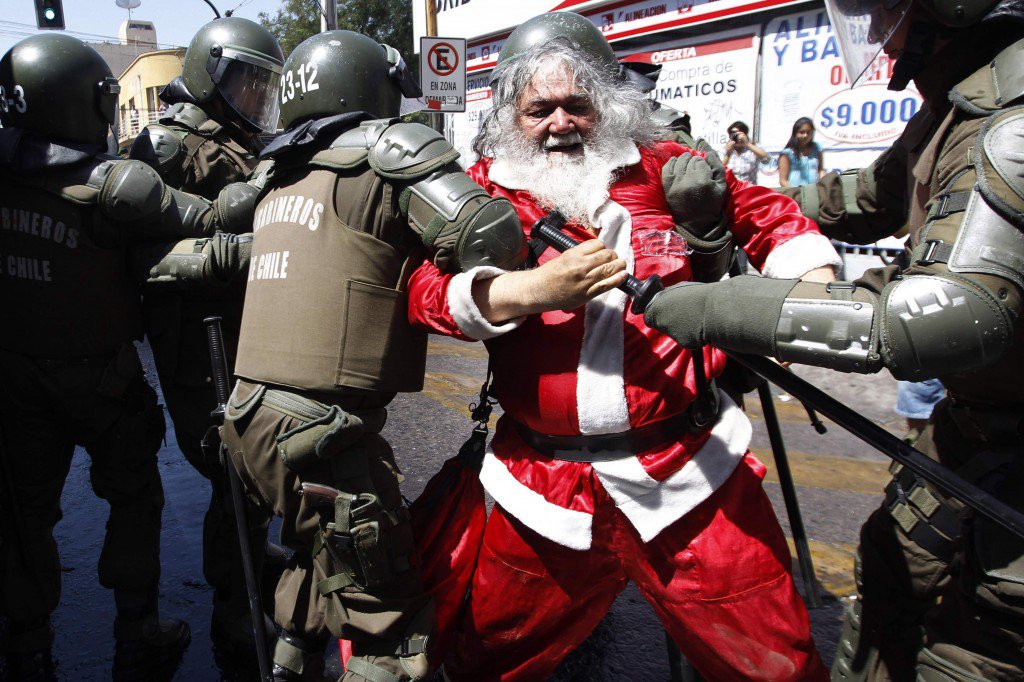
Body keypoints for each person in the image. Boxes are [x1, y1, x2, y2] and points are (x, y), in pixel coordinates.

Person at [406, 12, 841, 681]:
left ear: (606, 104)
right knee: (486, 662)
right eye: (539, 108)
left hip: (691, 479)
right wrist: (529, 290)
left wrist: (814, 294)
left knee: (775, 668)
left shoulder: (667, 168)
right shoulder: (483, 194)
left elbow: (768, 216)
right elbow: (425, 294)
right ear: (509, 115)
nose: (559, 124)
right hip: (541, 492)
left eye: (577, 105)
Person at [643, 0, 1024, 675]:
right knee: (888, 580)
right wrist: (731, 195)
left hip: (1011, 447)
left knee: (972, 651)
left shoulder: (1010, 122)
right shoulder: (961, 104)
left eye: (887, 10)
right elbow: (861, 199)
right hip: (978, 429)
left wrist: (720, 307)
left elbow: (943, 318)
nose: (877, 30)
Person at [219, 30, 525, 682]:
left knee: (309, 555)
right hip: (326, 435)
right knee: (385, 619)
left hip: (246, 422)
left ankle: (289, 662)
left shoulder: (276, 172)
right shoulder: (391, 149)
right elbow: (489, 238)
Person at [0, 34, 253, 681]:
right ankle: (138, 624)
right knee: (134, 500)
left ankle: (26, 641)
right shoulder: (116, 187)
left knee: (25, 513)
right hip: (105, 381)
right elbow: (211, 221)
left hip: (19, 380)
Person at [128, 16, 284, 656]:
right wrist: (228, 253)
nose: (254, 96)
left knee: (263, 454)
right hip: (199, 335)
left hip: (250, 322)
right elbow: (141, 256)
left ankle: (250, 552)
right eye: (244, 82)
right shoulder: (165, 149)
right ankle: (233, 604)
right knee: (234, 466)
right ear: (209, 76)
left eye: (261, 84)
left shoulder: (245, 140)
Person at [777, 116, 824, 187]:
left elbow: (821, 170)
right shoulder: (787, 153)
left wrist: (822, 186)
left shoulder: (817, 148)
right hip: (795, 193)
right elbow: (783, 180)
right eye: (802, 132)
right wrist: (794, 194)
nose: (805, 135)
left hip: (814, 192)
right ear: (795, 133)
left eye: (808, 132)